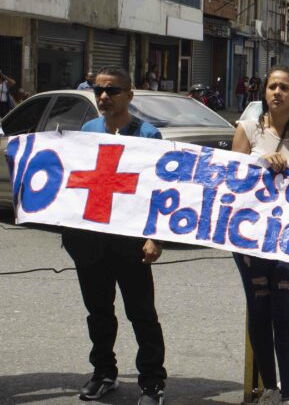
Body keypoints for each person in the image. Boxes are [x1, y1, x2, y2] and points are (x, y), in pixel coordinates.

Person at [61, 66, 167, 405]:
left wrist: (155, 237)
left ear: (130, 95)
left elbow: (158, 191)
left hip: (130, 242)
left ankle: (152, 382)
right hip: (92, 241)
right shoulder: (88, 130)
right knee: (98, 312)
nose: (104, 97)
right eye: (99, 90)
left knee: (141, 314)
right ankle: (103, 372)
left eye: (113, 91)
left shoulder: (147, 135)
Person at [231, 65, 289, 405]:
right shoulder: (248, 129)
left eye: (284, 87)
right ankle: (269, 387)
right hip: (250, 238)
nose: (277, 93)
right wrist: (261, 165)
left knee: (284, 313)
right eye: (272, 86)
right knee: (259, 312)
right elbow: (229, 178)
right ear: (264, 92)